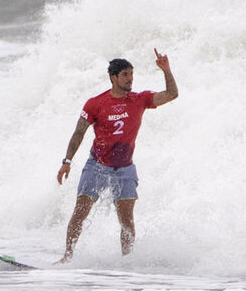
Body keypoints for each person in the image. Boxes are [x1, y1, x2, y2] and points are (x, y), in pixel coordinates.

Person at [55, 49, 178, 263]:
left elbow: (171, 95)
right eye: (125, 75)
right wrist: (67, 161)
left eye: (131, 74)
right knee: (81, 211)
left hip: (125, 168)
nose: (130, 79)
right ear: (114, 78)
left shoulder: (140, 99)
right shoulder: (95, 103)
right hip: (98, 165)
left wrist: (166, 71)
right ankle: (67, 257)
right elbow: (78, 133)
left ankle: (127, 261)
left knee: (126, 220)